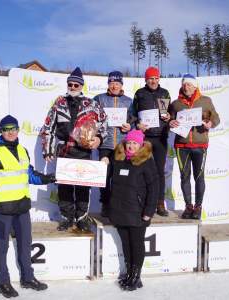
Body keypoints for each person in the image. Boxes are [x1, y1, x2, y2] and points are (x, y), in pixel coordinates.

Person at [0, 115, 54, 298]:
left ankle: (27, 278)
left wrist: (48, 178)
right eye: (6, 129)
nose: (10, 132)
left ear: (18, 130)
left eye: (13, 128)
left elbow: (29, 175)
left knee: (25, 244)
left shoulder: (22, 150)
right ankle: (4, 282)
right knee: (2, 246)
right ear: (1, 131)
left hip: (21, 208)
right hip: (2, 209)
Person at [41, 67, 108, 232]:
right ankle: (66, 217)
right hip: (64, 151)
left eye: (76, 85)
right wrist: (48, 149)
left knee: (83, 187)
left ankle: (81, 217)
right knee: (64, 187)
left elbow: (104, 125)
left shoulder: (92, 104)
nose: (72, 87)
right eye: (70, 84)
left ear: (81, 86)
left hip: (83, 151)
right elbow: (48, 127)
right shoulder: (58, 103)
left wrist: (98, 139)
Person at [108, 129, 158, 291]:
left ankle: (136, 277)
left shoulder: (146, 161)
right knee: (126, 244)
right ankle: (129, 274)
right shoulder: (118, 159)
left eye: (134, 143)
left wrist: (149, 211)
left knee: (136, 244)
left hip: (137, 212)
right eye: (128, 142)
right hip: (119, 210)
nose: (130, 146)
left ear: (141, 144)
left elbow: (154, 188)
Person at [169, 74, 220, 220]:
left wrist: (211, 123)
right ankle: (188, 206)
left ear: (195, 86)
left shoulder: (206, 101)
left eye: (189, 84)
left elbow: (216, 118)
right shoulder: (176, 103)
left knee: (199, 177)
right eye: (184, 84)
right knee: (185, 177)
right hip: (181, 145)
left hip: (200, 144)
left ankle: (198, 207)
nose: (187, 87)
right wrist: (170, 122)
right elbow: (171, 119)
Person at [131, 66, 171, 217]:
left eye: (156, 78)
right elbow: (133, 114)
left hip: (160, 137)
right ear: (146, 80)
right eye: (150, 79)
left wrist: (168, 117)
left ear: (158, 79)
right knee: (142, 169)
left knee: (159, 171)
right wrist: (137, 125)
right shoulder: (139, 93)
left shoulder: (165, 93)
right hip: (145, 137)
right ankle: (142, 201)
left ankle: (160, 203)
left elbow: (169, 113)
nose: (153, 81)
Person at [94, 71, 133, 217]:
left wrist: (130, 126)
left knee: (120, 177)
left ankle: (118, 204)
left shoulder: (129, 101)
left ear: (121, 84)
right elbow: (92, 116)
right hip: (105, 144)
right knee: (105, 176)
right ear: (108, 84)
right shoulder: (99, 99)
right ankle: (105, 204)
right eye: (112, 83)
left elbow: (133, 120)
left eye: (117, 83)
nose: (114, 86)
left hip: (122, 145)